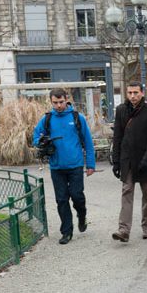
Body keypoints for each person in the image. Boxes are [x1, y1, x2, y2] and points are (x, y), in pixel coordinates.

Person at [33, 88, 95, 245]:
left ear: (67, 100)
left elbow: (88, 142)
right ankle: (66, 232)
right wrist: (41, 142)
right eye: (55, 103)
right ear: (51, 102)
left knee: (77, 196)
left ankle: (82, 215)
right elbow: (35, 137)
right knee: (61, 200)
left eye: (61, 102)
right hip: (56, 166)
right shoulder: (46, 119)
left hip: (75, 165)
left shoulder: (77, 118)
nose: (59, 106)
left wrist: (91, 164)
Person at [111, 82, 147, 242]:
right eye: (130, 93)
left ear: (142, 93)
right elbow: (117, 136)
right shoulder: (121, 110)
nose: (132, 96)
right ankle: (123, 230)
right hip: (127, 160)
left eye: (135, 93)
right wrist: (116, 161)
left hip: (146, 159)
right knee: (127, 191)